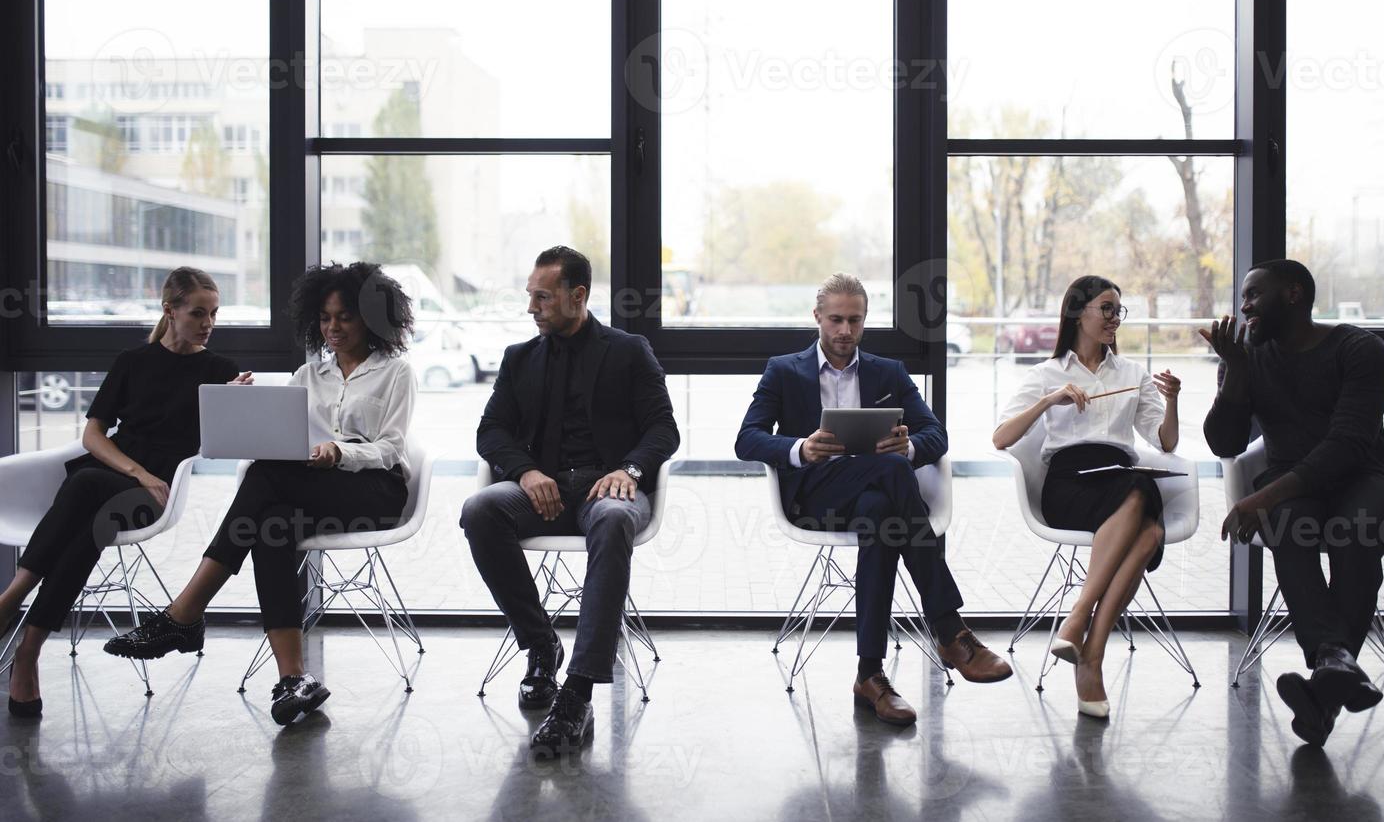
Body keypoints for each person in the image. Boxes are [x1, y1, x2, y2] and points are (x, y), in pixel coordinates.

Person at [104, 262, 417, 727]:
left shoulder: (395, 373)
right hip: (310, 490)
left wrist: (338, 453)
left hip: (375, 492)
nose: (333, 328)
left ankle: (184, 613)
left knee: (268, 482)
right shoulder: (309, 374)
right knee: (271, 526)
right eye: (325, 318)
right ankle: (294, 678)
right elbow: (280, 439)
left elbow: (391, 449)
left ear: (372, 318)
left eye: (345, 317)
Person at [736, 273, 1011, 728]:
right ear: (818, 318)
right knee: (894, 473)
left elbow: (935, 434)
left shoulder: (889, 372)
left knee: (883, 512)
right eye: (837, 320)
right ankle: (948, 626)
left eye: (856, 321)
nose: (846, 331)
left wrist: (907, 446)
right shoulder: (784, 370)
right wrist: (800, 448)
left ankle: (870, 675)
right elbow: (747, 439)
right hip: (816, 497)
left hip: (875, 498)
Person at [0, 267, 247, 718]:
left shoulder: (220, 371)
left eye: (214, 314)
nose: (208, 323)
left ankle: (11, 599)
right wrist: (137, 471)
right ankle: (28, 652)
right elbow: (94, 435)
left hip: (154, 495)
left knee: (85, 485)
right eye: (198, 313)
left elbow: (217, 448)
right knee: (89, 513)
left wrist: (231, 405)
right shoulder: (133, 361)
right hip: (116, 475)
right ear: (169, 311)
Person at [461, 246, 679, 757]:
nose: (531, 307)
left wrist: (629, 470)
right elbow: (490, 431)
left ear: (577, 296)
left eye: (542, 297)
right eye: (530, 296)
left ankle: (577, 692)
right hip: (546, 489)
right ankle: (541, 645)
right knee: (479, 510)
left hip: (610, 488)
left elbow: (663, 429)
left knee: (611, 519)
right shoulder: (520, 359)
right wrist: (527, 471)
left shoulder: (629, 351)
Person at [1203, 259, 1384, 747]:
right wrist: (1236, 369)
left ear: (1294, 294)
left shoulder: (1359, 349)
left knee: (1357, 529)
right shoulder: (1251, 355)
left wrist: (1261, 497)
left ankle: (1323, 685)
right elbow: (1224, 442)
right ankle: (1333, 671)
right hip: (1293, 488)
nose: (1244, 305)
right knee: (1292, 526)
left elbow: (1347, 444)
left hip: (1362, 475)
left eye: (1254, 294)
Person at [993, 275, 1182, 719]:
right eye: (1107, 309)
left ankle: (1087, 645)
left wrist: (1172, 402)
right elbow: (1001, 437)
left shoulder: (1133, 374)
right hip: (1069, 483)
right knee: (1145, 512)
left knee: (1149, 522)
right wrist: (1049, 401)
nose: (1115, 318)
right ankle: (1083, 632)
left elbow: (1165, 442)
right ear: (1079, 312)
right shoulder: (1046, 373)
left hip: (1118, 478)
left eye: (1119, 310)